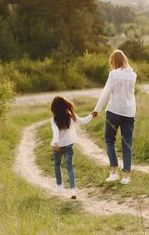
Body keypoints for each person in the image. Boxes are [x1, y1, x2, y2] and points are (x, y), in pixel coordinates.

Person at [91, 49, 137, 185]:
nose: (111, 65)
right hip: (129, 113)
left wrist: (96, 110)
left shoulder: (113, 74)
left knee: (109, 140)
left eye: (111, 62)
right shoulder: (133, 75)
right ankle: (127, 176)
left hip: (114, 112)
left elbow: (106, 93)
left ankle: (114, 173)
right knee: (127, 143)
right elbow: (130, 94)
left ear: (115, 61)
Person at [50, 95, 93, 199]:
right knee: (69, 166)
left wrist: (56, 143)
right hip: (69, 145)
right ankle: (73, 191)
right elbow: (83, 121)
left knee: (57, 164)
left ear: (54, 108)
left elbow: (55, 132)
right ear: (65, 105)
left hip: (58, 146)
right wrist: (91, 115)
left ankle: (59, 187)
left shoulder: (54, 119)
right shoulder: (71, 116)